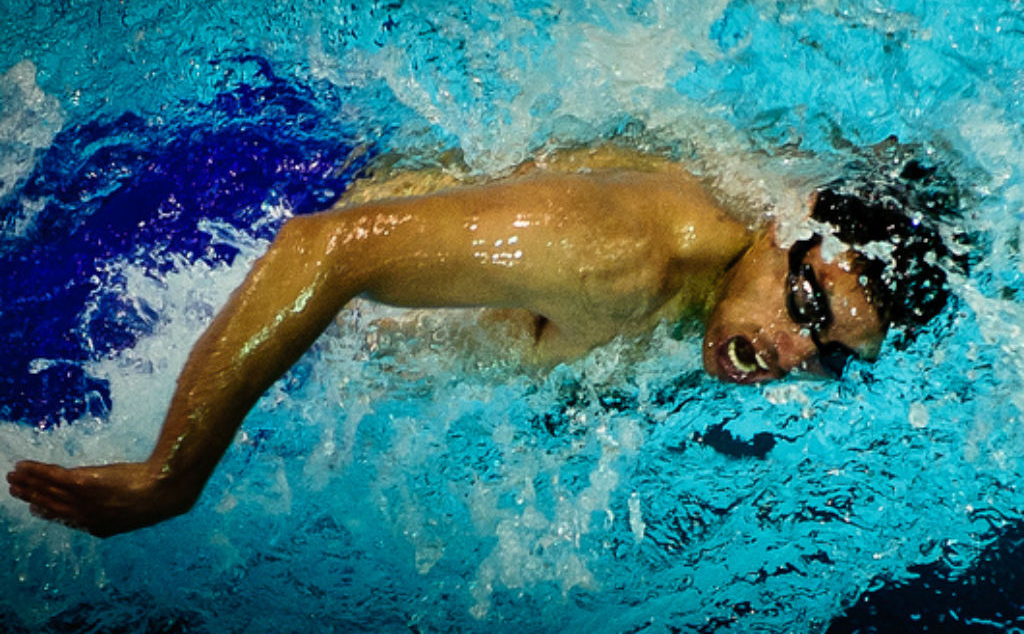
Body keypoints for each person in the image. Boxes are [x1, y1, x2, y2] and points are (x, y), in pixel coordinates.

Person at [6, 143, 960, 537]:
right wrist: (173, 472)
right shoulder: (619, 258)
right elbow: (323, 248)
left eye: (832, 353)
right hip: (207, 251)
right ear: (785, 223)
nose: (791, 354)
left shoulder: (740, 226)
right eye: (804, 305)